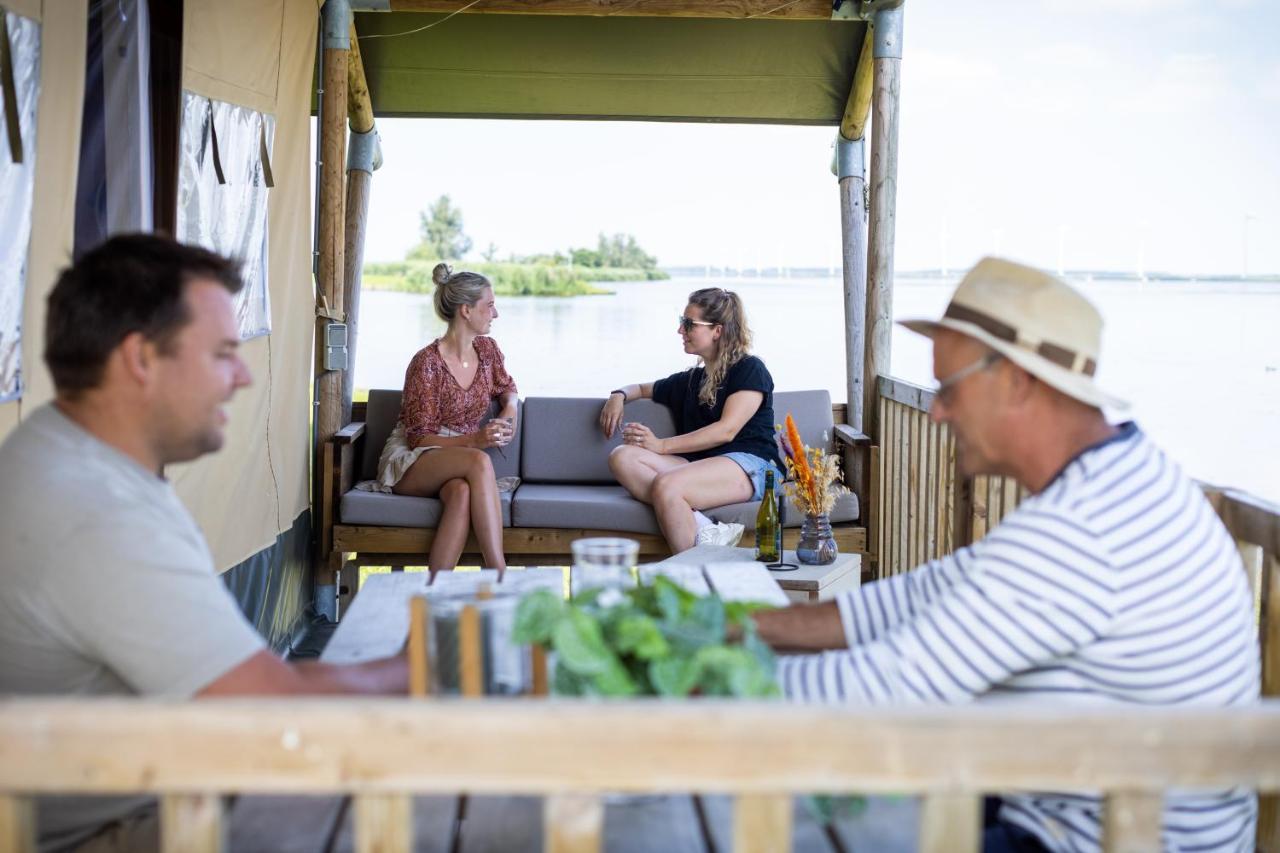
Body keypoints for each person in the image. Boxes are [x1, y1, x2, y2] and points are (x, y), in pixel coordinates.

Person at [755, 258, 1259, 852]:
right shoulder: (1122, 476)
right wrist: (742, 629)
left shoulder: (1078, 529)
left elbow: (881, 690)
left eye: (951, 389)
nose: (937, 411)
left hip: (1104, 835)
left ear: (1018, 380)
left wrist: (689, 681)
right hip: (1081, 802)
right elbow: (918, 596)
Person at [0, 235, 409, 853]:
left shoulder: (57, 455)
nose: (242, 375)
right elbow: (265, 711)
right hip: (112, 830)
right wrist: (432, 669)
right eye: (222, 352)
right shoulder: (96, 512)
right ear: (140, 358)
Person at [600, 287, 784, 552]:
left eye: (688, 324)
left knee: (668, 485)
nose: (680, 331)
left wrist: (661, 446)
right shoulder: (691, 380)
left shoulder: (750, 369)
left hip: (751, 464)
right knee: (621, 456)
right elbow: (640, 389)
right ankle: (704, 528)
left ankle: (691, 579)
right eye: (681, 323)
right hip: (700, 464)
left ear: (717, 331)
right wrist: (617, 396)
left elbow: (726, 430)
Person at [371, 263, 517, 573]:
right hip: (414, 456)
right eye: (489, 305)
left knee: (461, 493)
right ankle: (499, 572)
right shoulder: (427, 363)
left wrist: (509, 411)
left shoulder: (488, 351)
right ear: (466, 310)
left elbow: (508, 388)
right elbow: (419, 437)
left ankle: (435, 590)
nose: (496, 314)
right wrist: (475, 440)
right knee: (478, 462)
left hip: (457, 457)